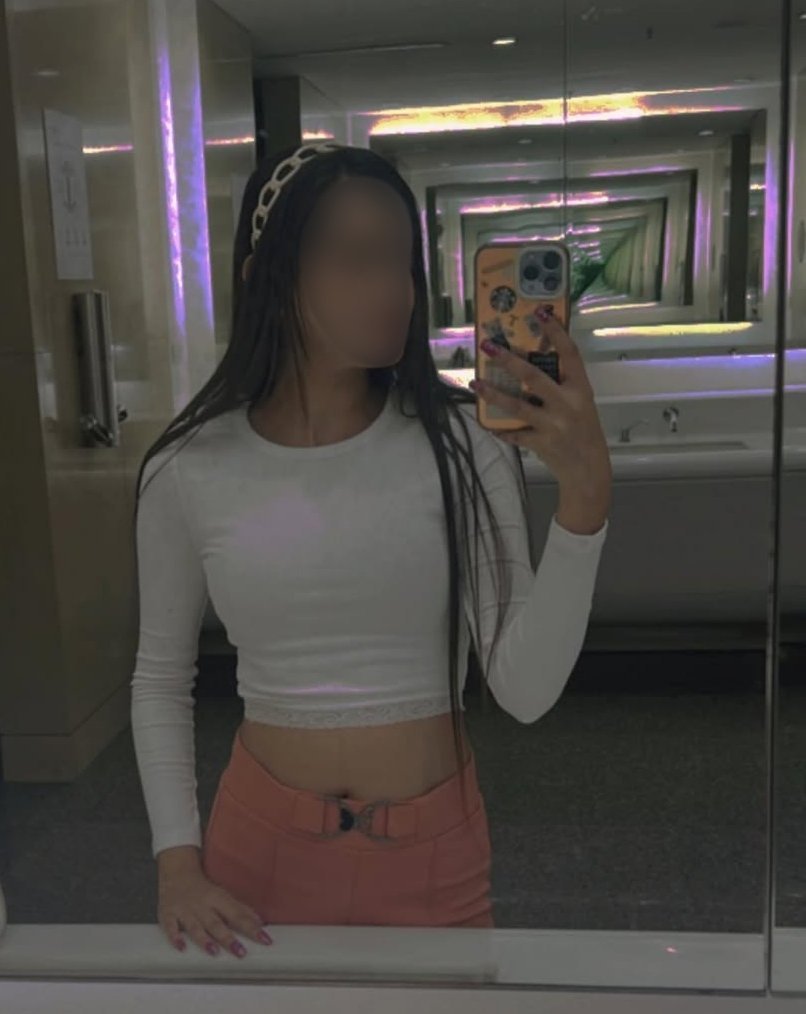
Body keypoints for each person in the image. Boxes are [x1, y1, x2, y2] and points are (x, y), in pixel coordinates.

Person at [130, 143, 611, 959]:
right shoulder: (188, 467)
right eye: (355, 260)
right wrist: (177, 863)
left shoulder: (461, 445)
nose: (391, 289)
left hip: (434, 855)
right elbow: (159, 679)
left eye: (399, 261)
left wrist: (585, 503)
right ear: (266, 278)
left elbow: (525, 691)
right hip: (256, 856)